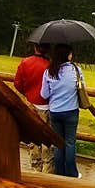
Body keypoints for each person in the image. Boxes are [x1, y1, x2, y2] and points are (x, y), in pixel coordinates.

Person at [40, 43, 82, 178]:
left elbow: (44, 94)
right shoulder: (76, 70)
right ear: (68, 55)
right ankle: (71, 173)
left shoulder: (49, 71)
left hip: (55, 111)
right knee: (70, 142)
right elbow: (82, 88)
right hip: (71, 111)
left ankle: (59, 172)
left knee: (58, 143)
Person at [13, 42, 52, 172]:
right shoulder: (50, 66)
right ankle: (48, 170)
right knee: (47, 139)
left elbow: (17, 83)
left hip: (31, 105)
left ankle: (35, 169)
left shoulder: (25, 62)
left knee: (33, 139)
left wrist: (27, 93)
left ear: (35, 48)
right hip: (47, 106)